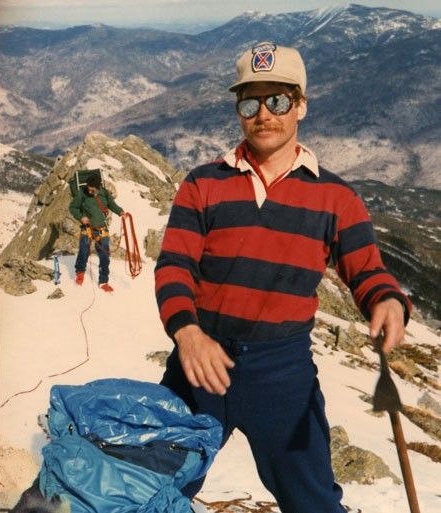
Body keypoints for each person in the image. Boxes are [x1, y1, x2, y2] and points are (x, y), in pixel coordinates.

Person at [155, 42, 411, 512]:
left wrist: (387, 301)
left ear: (301, 106)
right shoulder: (201, 184)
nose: (264, 114)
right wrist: (187, 333)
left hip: (282, 373)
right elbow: (174, 266)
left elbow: (367, 270)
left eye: (278, 100)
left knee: (311, 500)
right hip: (198, 361)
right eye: (250, 102)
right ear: (239, 110)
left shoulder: (336, 198)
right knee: (153, 490)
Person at [69, 174, 126, 292]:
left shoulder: (104, 193)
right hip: (87, 228)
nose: (89, 190)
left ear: (98, 187)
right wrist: (81, 217)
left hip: (102, 229)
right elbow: (73, 207)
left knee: (104, 256)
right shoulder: (82, 193)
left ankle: (103, 281)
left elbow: (112, 205)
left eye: (92, 189)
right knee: (84, 251)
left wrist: (120, 212)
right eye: (88, 188)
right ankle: (80, 272)